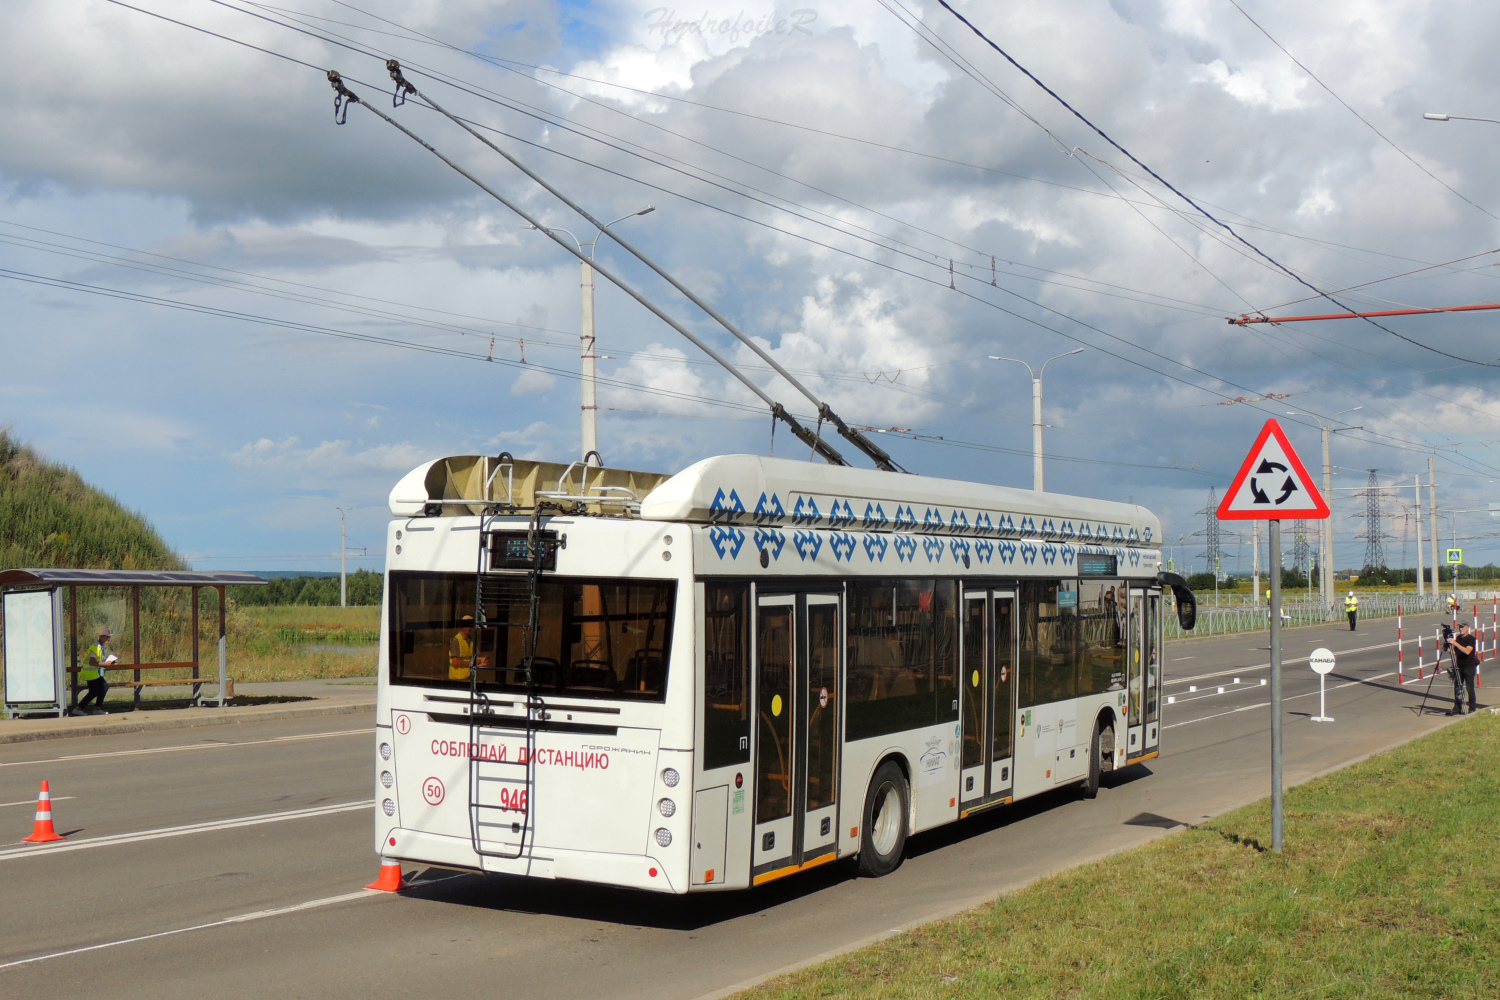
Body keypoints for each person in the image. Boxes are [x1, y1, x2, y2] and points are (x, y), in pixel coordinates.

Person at [76, 627, 115, 715]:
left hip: (93, 673)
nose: (109, 639)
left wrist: (110, 661)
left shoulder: (100, 647)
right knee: (96, 690)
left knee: (102, 688)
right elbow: (92, 662)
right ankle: (79, 709)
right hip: (90, 673)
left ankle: (96, 709)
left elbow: (98, 660)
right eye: (107, 637)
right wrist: (105, 664)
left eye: (109, 637)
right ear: (101, 637)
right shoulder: (96, 647)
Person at [1447, 622, 1480, 716]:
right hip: (1459, 666)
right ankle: (1457, 707)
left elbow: (1467, 651)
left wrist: (1455, 643)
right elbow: (1455, 651)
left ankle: (1472, 708)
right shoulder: (1458, 638)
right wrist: (1449, 646)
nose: (1461, 629)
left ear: (1467, 628)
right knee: (1457, 688)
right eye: (1460, 627)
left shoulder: (1471, 639)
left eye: (1463, 627)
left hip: (1469, 666)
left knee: (1469, 688)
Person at [449, 615, 489, 681]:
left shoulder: (471, 641)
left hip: (468, 677)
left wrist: (482, 660)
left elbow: (471, 658)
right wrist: (473, 662)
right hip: (457, 680)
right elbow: (455, 662)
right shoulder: (456, 641)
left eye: (471, 625)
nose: (470, 628)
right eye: (467, 625)